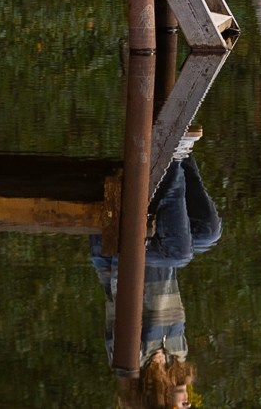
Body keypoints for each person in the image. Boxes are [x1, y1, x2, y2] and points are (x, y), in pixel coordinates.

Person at [93, 152, 221, 408]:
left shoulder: (129, 363)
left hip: (120, 256)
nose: (188, 405)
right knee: (208, 233)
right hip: (155, 253)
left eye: (181, 408)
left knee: (181, 254)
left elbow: (122, 289)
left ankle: (172, 156)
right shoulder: (178, 354)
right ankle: (183, 154)